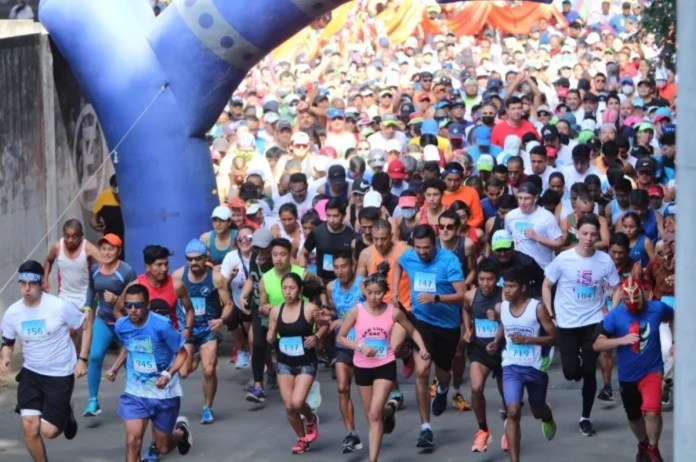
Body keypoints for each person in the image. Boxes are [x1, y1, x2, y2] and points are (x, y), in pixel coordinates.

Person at [337, 262, 431, 462]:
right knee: (371, 416)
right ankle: (385, 420)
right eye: (370, 293)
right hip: (362, 365)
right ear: (365, 292)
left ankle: (373, 459)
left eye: (378, 293)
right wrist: (360, 347)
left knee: (374, 413)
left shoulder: (393, 312)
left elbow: (412, 330)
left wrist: (422, 348)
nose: (374, 297)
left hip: (385, 364)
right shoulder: (356, 311)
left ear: (385, 292)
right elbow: (341, 337)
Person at [542, 215, 620, 437]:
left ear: (598, 236)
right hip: (567, 322)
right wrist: (550, 312)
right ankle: (574, 367)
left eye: (593, 235)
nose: (588, 238)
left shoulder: (605, 260)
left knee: (588, 371)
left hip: (593, 322)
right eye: (584, 233)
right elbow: (547, 285)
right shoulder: (564, 259)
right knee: (570, 372)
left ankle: (585, 417)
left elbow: (617, 288)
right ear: (576, 232)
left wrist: (611, 313)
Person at [0, 260, 83, 462]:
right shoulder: (13, 312)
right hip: (31, 373)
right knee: (29, 426)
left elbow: (84, 325)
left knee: (49, 431)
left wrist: (82, 358)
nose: (27, 288)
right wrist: (5, 357)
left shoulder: (59, 306)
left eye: (32, 283)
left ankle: (66, 413)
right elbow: (8, 341)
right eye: (22, 283)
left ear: (42, 282)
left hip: (59, 374)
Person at [392, 224, 466, 449]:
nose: (422, 252)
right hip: (421, 322)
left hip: (447, 325)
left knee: (444, 374)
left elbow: (462, 295)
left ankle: (443, 390)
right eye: (418, 248)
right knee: (422, 371)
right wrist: (395, 289)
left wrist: (437, 299)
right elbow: (397, 264)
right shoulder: (410, 256)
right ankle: (426, 428)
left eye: (426, 248)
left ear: (434, 244)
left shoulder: (449, 261)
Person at [104, 284, 193, 462]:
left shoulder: (162, 326)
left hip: (164, 391)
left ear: (147, 305)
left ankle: (181, 432)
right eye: (128, 305)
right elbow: (128, 347)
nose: (132, 310)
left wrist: (168, 374)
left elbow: (182, 353)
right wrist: (115, 367)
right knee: (133, 441)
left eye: (138, 305)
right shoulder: (122, 325)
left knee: (163, 447)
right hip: (136, 391)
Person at [593, 273, 673, 462]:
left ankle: (653, 449)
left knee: (653, 411)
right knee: (633, 415)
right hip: (628, 375)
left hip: (652, 370)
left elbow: (673, 317)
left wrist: (675, 341)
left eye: (637, 301)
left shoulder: (657, 308)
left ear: (644, 295)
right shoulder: (615, 315)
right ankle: (643, 443)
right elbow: (597, 344)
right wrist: (621, 340)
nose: (634, 306)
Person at [499, 267, 558, 462]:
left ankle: (547, 417)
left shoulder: (537, 308)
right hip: (511, 366)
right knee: (513, 411)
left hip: (534, 367)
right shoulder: (502, 307)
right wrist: (494, 340)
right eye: (505, 286)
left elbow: (554, 337)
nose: (507, 290)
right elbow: (503, 326)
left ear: (523, 288)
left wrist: (528, 340)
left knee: (537, 409)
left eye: (511, 286)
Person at [172, 239, 232, 424]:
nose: (194, 263)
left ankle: (207, 407)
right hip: (187, 330)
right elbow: (170, 302)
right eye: (189, 259)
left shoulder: (216, 278)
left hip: (208, 329)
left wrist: (221, 319)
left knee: (208, 370)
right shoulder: (178, 276)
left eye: (198, 259)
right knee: (183, 372)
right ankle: (196, 357)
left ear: (206, 258)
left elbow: (229, 304)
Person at [266, 273, 327, 454]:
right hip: (284, 361)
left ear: (300, 290)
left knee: (298, 402)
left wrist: (316, 336)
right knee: (289, 406)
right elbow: (271, 329)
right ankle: (302, 439)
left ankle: (310, 418)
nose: (287, 292)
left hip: (305, 362)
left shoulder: (309, 309)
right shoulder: (276, 311)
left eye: (292, 288)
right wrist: (270, 335)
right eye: (284, 288)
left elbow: (324, 325)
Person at [79, 233, 136, 417]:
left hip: (124, 322)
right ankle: (93, 401)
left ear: (118, 251)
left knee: (130, 361)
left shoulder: (126, 271)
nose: (106, 252)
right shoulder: (95, 269)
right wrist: (88, 306)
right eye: (103, 248)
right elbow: (91, 288)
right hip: (103, 320)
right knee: (94, 357)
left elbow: (136, 296)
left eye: (110, 249)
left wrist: (117, 299)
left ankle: (133, 397)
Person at [321, 251, 364, 453]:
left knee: (368, 395)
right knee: (342, 387)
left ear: (353, 265)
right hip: (343, 344)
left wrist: (347, 321)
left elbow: (376, 310)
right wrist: (326, 315)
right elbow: (335, 312)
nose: (340, 271)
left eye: (344, 266)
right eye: (336, 267)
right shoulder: (332, 287)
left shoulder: (363, 285)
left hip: (366, 345)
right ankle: (351, 433)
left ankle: (379, 422)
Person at [462, 258, 506, 452]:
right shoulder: (471, 296)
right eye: (482, 279)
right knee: (476, 387)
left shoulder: (504, 296)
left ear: (497, 279)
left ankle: (508, 430)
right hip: (479, 350)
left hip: (504, 351)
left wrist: (497, 338)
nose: (485, 283)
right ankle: (482, 431)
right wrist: (468, 328)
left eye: (489, 279)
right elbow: (465, 309)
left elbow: (510, 320)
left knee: (508, 396)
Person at [237, 228, 276, 402]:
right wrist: (244, 295)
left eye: (264, 248)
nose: (260, 252)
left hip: (275, 309)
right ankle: (258, 385)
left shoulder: (278, 260)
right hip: (258, 308)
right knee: (258, 343)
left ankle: (283, 376)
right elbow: (252, 278)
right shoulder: (254, 256)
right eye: (257, 248)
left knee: (276, 344)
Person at [125, 245, 195, 336]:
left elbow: (190, 310)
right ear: (147, 267)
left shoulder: (177, 285)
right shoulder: (135, 285)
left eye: (166, 264)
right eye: (159, 265)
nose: (164, 269)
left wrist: (187, 329)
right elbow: (117, 310)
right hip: (144, 339)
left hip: (170, 339)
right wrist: (129, 330)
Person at [43, 219, 100, 310]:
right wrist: (45, 278)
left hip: (86, 297)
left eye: (74, 237)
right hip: (64, 297)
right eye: (67, 236)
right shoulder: (57, 247)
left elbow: (106, 264)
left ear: (81, 236)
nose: (70, 240)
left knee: (86, 324)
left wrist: (99, 286)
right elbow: (48, 261)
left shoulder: (88, 248)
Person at [504, 182, 563, 269]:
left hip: (541, 266)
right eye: (520, 198)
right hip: (517, 267)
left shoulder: (547, 217)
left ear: (535, 198)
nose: (523, 202)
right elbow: (508, 238)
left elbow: (559, 243)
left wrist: (538, 238)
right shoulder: (510, 216)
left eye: (527, 198)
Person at [220, 225, 255, 368]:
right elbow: (222, 284)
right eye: (240, 238)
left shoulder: (260, 255)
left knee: (253, 334)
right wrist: (230, 277)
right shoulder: (231, 256)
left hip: (256, 300)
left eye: (248, 238)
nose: (244, 241)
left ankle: (256, 356)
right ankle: (242, 350)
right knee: (230, 317)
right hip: (237, 300)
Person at [299, 198, 356, 283]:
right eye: (328, 215)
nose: (331, 220)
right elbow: (303, 253)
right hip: (321, 281)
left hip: (344, 283)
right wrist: (304, 270)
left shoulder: (351, 236)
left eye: (335, 216)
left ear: (344, 216)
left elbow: (355, 262)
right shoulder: (317, 232)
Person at [90, 174, 124, 243]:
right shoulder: (104, 196)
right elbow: (92, 217)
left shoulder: (134, 197)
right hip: (111, 242)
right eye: (115, 194)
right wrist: (96, 226)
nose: (118, 197)